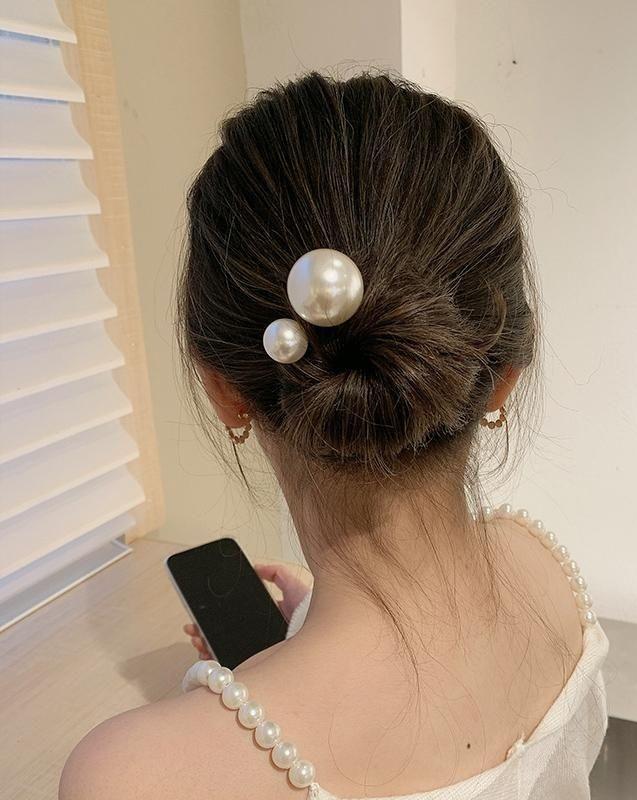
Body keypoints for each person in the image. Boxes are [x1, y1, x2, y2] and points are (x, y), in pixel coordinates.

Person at [60, 71, 608, 800]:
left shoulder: (133, 777)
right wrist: (306, 631)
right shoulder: (548, 574)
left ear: (224, 389)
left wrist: (288, 667)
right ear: (503, 378)